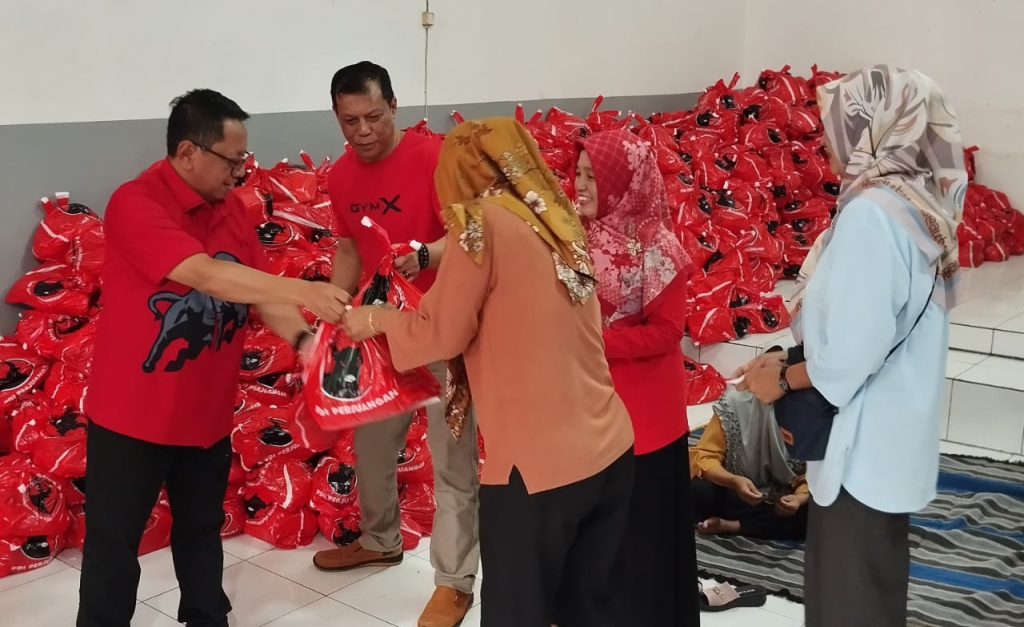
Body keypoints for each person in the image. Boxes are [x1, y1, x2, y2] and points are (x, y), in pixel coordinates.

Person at [342, 117, 635, 627]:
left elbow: (441, 333)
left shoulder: (478, 224)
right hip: (610, 450)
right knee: (589, 607)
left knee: (517, 612)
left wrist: (375, 320)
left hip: (539, 471)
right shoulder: (553, 214)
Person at [77, 89, 351, 627]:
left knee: (202, 530)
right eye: (232, 160)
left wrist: (304, 341)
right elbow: (204, 273)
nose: (240, 171)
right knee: (114, 543)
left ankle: (207, 617)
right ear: (187, 152)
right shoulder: (136, 202)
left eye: (244, 158)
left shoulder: (232, 210)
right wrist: (306, 289)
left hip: (206, 414)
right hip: (134, 417)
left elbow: (258, 291)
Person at [736, 66, 966, 627]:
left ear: (874, 127)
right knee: (872, 590)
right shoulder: (919, 206)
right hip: (892, 435)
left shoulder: (872, 215)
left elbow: (852, 353)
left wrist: (782, 378)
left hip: (862, 447)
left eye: (837, 124)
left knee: (848, 599)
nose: (826, 140)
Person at [311, 61, 480, 627]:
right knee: (372, 444)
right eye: (349, 121)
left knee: (452, 459)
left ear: (394, 107)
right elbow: (348, 248)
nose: (363, 131)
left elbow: (474, 234)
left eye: (374, 117)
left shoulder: (436, 158)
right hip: (380, 329)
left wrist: (425, 255)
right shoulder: (341, 177)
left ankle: (454, 582)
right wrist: (335, 311)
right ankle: (380, 539)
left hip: (444, 329)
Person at [574, 129, 700, 626]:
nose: (579, 186)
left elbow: (668, 331)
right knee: (597, 538)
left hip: (645, 416)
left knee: (642, 538)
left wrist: (593, 342)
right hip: (589, 406)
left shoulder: (656, 245)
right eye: (577, 174)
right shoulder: (573, 237)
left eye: (592, 177)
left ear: (620, 183)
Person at [689, 375, 810, 542]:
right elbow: (704, 457)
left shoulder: (808, 409)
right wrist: (734, 481)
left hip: (785, 499)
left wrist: (799, 499)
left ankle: (734, 526)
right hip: (736, 492)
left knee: (819, 511)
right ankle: (756, 525)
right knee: (694, 489)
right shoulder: (734, 403)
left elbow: (817, 474)